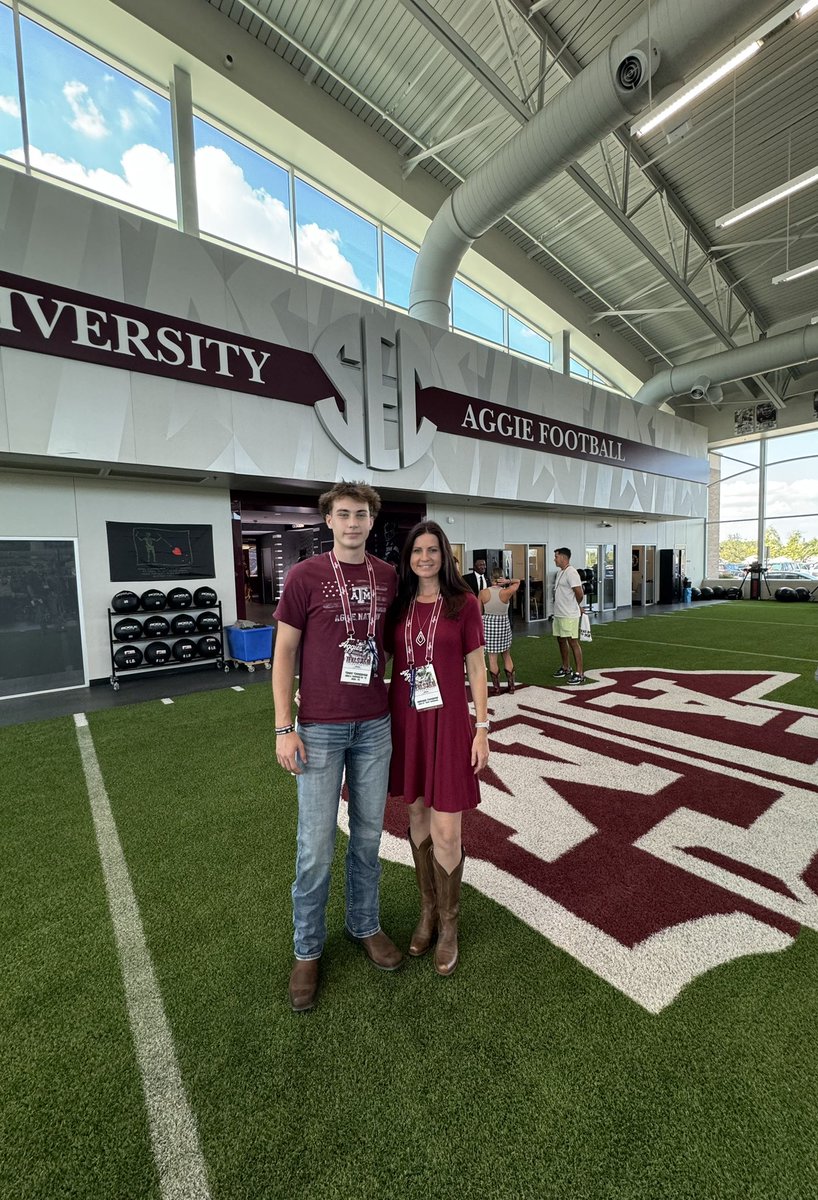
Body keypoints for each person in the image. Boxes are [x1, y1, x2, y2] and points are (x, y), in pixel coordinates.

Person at [272, 482, 402, 1013]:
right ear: (328, 521)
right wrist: (285, 727)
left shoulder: (389, 576)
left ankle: (363, 924)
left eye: (362, 514)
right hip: (320, 728)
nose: (353, 522)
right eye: (343, 514)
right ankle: (307, 948)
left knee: (368, 837)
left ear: (372, 521)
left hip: (374, 724)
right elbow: (284, 655)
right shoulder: (305, 577)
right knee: (315, 846)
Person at [387, 521, 489, 976]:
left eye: (433, 550)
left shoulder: (463, 604)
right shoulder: (399, 606)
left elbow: (477, 667)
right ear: (407, 558)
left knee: (448, 830)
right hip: (408, 721)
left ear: (445, 555)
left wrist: (482, 727)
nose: (424, 557)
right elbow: (373, 656)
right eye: (417, 551)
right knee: (416, 817)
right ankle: (426, 910)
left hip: (448, 724)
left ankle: (449, 924)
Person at [479, 567, 520, 695]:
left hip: (488, 625)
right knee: (506, 654)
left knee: (492, 657)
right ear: (502, 578)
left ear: (491, 578)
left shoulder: (483, 593)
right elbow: (518, 582)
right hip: (503, 624)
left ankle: (496, 689)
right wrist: (508, 581)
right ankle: (511, 686)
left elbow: (478, 612)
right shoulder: (507, 591)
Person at [551, 547, 588, 686]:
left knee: (573, 642)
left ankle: (580, 673)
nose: (555, 559)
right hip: (559, 613)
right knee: (560, 640)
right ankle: (566, 667)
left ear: (563, 557)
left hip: (569, 615)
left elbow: (579, 593)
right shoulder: (561, 572)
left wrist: (575, 606)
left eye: (556, 556)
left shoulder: (572, 573)